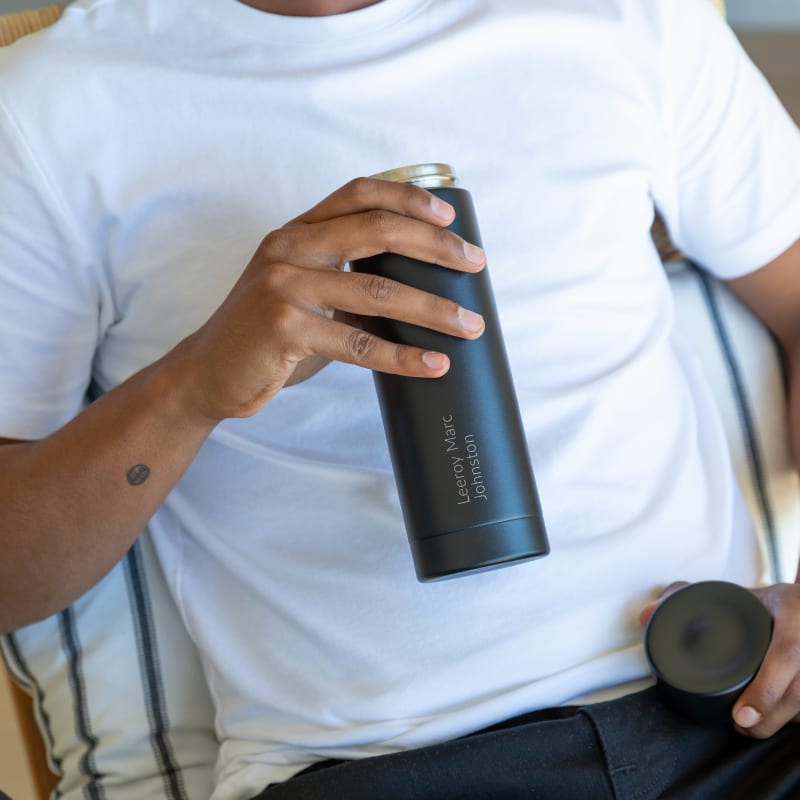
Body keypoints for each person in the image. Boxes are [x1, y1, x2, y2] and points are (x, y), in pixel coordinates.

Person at [1, 0, 800, 797]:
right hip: (390, 768)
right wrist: (191, 387)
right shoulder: (51, 108)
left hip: (738, 706)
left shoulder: (629, 16)